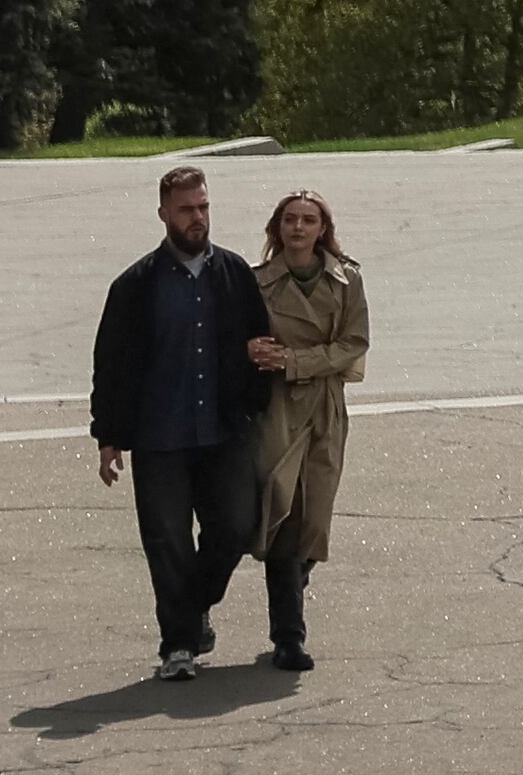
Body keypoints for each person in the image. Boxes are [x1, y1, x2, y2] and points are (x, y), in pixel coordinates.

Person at [88, 164, 274, 681]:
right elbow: (112, 364)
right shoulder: (134, 286)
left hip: (224, 431)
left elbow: (259, 346)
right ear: (164, 213)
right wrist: (108, 436)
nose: (198, 218)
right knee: (167, 540)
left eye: (204, 207)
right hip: (160, 436)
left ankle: (194, 608)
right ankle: (178, 645)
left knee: (236, 526)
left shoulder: (235, 274)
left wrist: (254, 399)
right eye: (188, 209)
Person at [246, 189, 370, 673]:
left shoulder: (347, 279)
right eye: (290, 220)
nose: (298, 228)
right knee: (284, 516)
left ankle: (293, 585)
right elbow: (242, 339)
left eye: (309, 220)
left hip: (324, 408)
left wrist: (296, 361)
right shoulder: (258, 284)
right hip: (277, 411)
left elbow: (354, 344)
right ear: (277, 229)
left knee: (315, 521)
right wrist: (254, 352)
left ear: (323, 229)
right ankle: (289, 637)